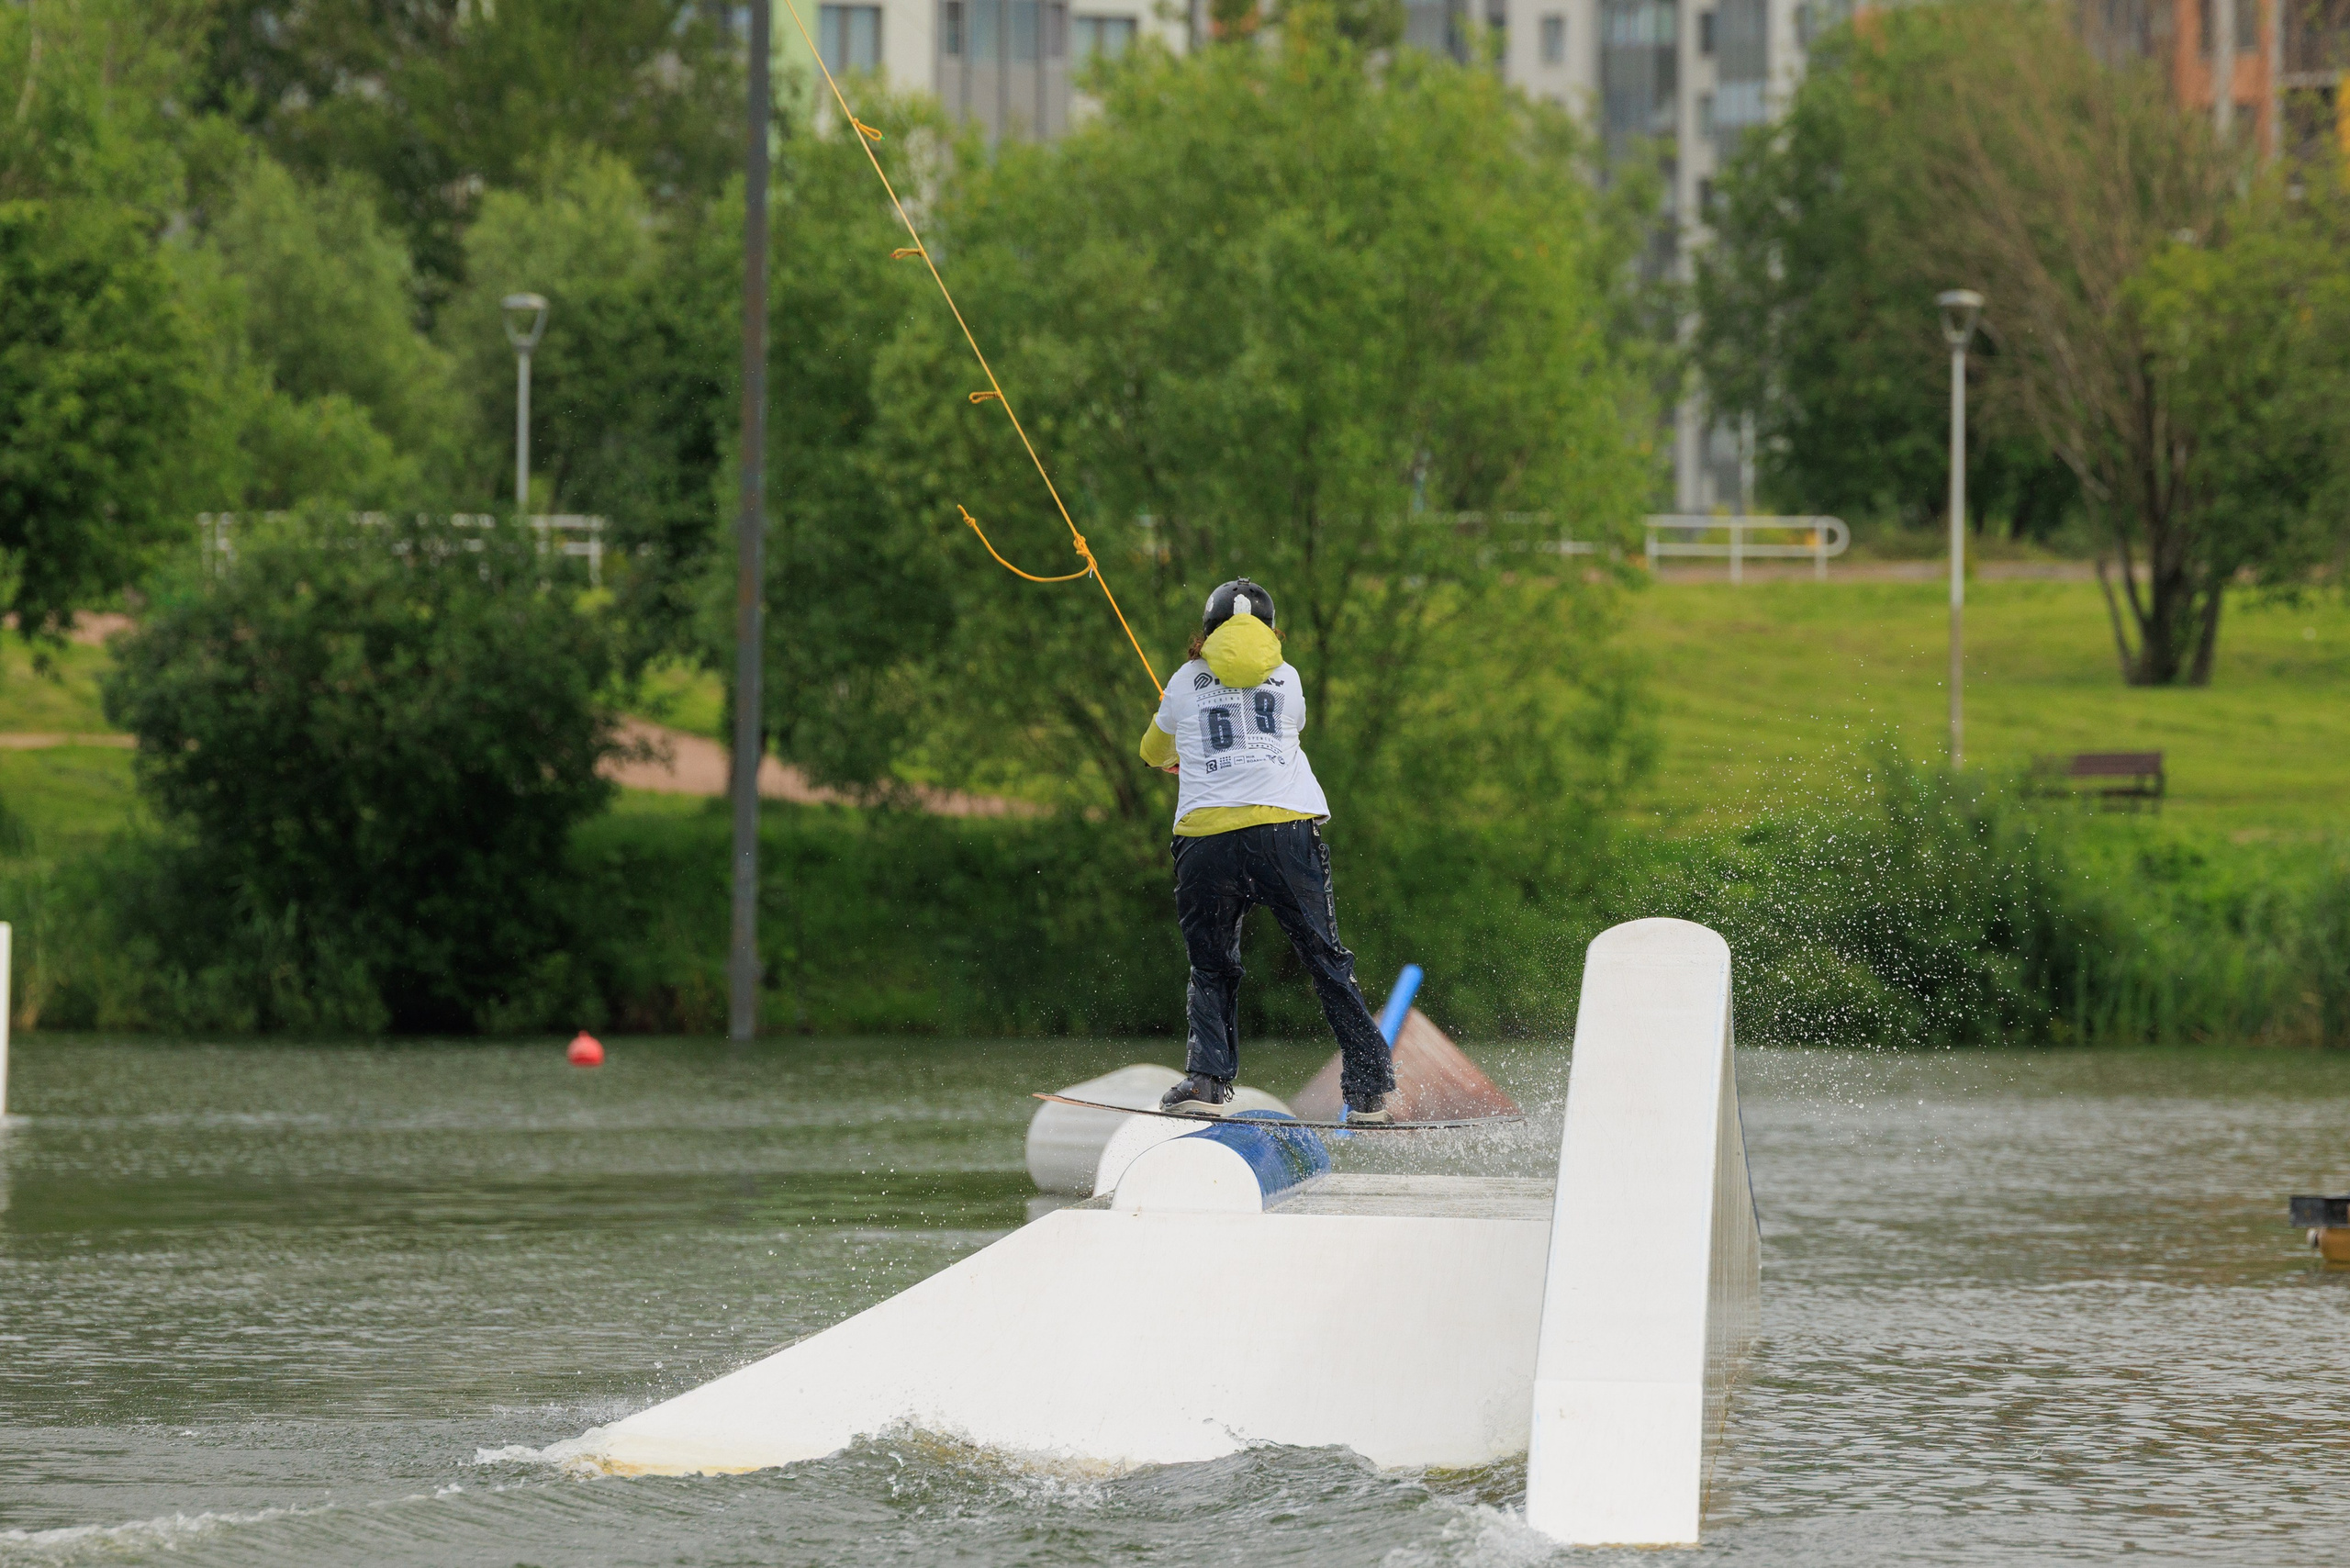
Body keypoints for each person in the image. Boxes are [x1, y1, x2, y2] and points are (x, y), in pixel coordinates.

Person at [1138, 578, 1395, 1124]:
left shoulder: (1184, 680)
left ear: (1207, 632)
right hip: (1285, 833)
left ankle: (1207, 1079)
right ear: (1269, 631)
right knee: (1325, 959)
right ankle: (1369, 1091)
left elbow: (1151, 751)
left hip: (1206, 841)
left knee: (1212, 965)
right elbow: (1287, 728)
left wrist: (1174, 755)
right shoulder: (1289, 676)